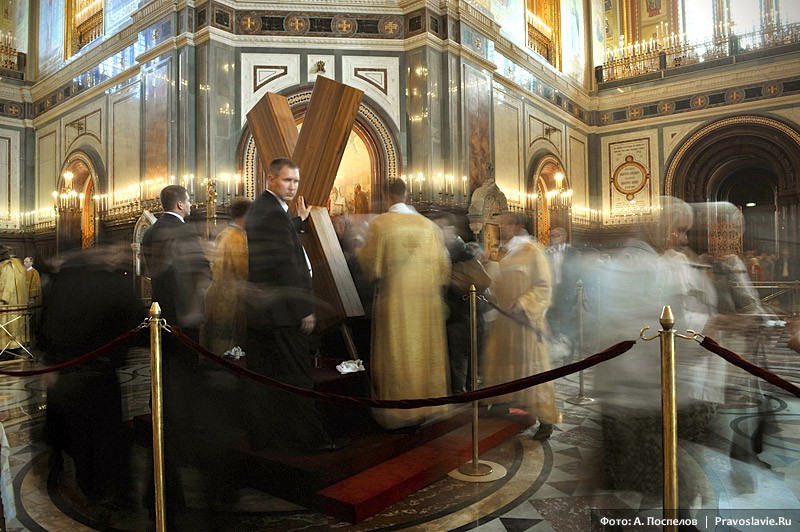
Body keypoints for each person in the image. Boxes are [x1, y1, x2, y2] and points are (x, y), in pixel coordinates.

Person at [590, 197, 723, 501]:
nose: (682, 240)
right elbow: (671, 340)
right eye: (678, 230)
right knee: (667, 494)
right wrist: (708, 333)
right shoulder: (659, 270)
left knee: (621, 490)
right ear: (660, 226)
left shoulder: (622, 261)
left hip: (616, 393)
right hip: (648, 399)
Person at [245, 157, 346, 453]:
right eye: (287, 180)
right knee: (297, 377)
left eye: (295, 181)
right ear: (271, 180)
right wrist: (305, 308)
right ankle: (311, 439)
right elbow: (285, 264)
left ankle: (268, 438)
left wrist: (297, 221)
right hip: (284, 312)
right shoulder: (273, 213)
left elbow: (277, 241)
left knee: (268, 378)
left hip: (267, 313)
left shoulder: (267, 210)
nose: (292, 187)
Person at [40, 246, 138, 508]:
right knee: (107, 435)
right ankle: (116, 493)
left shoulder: (63, 282)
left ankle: (92, 488)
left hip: (67, 372)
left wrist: (51, 362)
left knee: (81, 436)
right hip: (100, 372)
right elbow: (133, 322)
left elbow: (46, 324)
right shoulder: (113, 283)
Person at [141, 184, 212, 524]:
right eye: (189, 201)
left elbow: (150, 271)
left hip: (160, 315)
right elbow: (201, 272)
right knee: (185, 377)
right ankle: (182, 435)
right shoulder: (183, 232)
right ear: (181, 204)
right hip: (184, 316)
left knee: (163, 373)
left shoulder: (152, 230)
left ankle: (162, 419)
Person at [358, 178, 452, 430]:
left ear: (386, 195)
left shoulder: (381, 225)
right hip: (426, 304)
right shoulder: (429, 227)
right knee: (423, 352)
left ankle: (400, 414)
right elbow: (444, 268)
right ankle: (426, 406)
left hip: (396, 304)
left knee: (398, 354)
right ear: (407, 194)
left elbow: (370, 266)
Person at [481, 212, 557, 439]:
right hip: (503, 320)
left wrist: (524, 303)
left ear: (517, 226)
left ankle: (545, 418)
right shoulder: (503, 252)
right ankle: (501, 400)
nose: (501, 227)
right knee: (500, 360)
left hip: (524, 320)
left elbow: (544, 285)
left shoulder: (533, 250)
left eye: (505, 223)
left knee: (533, 367)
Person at [430, 212, 491, 394]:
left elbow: (484, 281)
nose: (439, 232)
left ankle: (463, 395)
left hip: (462, 313)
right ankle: (463, 393)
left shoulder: (461, 252)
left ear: (450, 229)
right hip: (453, 313)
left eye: (442, 227)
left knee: (461, 358)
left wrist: (455, 283)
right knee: (458, 357)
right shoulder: (441, 250)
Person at [202, 198, 251, 355]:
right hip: (232, 300)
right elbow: (243, 272)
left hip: (216, 295)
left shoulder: (223, 234)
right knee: (228, 349)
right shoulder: (238, 238)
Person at [545, 226, 582, 363]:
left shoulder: (572, 252)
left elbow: (578, 272)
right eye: (551, 236)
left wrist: (573, 292)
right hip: (551, 293)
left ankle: (568, 357)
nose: (552, 238)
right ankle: (556, 352)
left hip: (566, 292)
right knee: (552, 324)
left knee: (566, 325)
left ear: (563, 237)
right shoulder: (546, 253)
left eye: (556, 235)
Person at [0, 246, 29, 359]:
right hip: (13, 301)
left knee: (7, 326)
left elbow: (7, 285)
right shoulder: (15, 264)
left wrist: (2, 300)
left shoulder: (8, 266)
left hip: (7, 303)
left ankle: (7, 349)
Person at [23, 256, 43, 346]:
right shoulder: (23, 272)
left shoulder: (34, 272)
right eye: (24, 262)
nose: (24, 263)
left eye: (26, 262)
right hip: (23, 299)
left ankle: (32, 342)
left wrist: (31, 299)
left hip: (31, 300)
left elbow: (35, 287)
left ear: (31, 263)